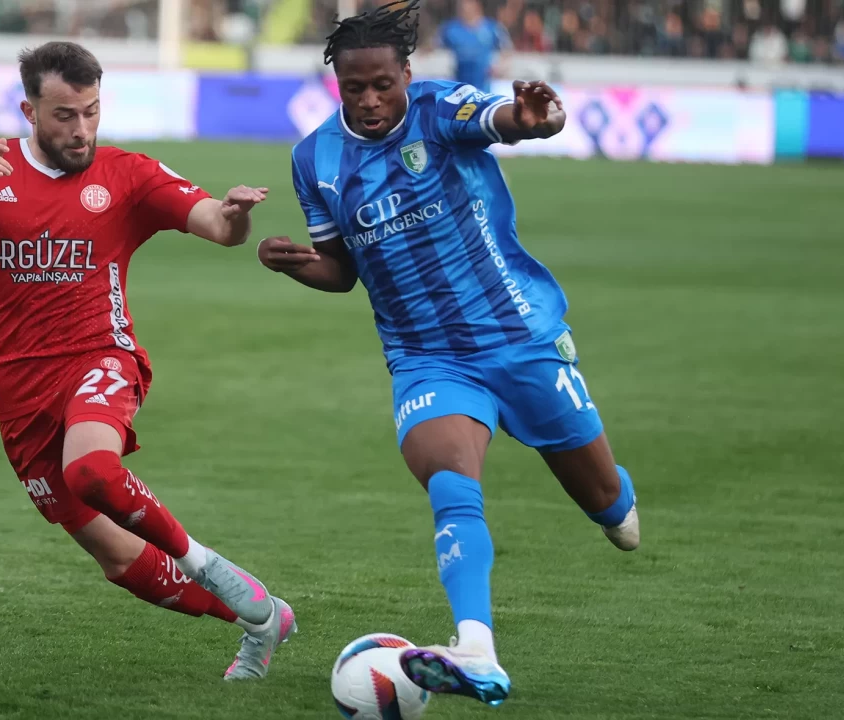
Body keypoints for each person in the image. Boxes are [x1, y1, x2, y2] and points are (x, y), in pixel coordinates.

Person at [257, 0, 638, 706]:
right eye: (353, 89)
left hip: (517, 336)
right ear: (335, 86)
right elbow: (341, 271)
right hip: (426, 357)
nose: (370, 101)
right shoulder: (316, 158)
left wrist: (535, 120)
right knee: (450, 479)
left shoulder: (439, 109)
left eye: (382, 85)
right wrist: (291, 262)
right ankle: (477, 649)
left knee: (615, 515)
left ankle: (614, 498)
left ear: (406, 72)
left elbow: (507, 120)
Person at [0, 41, 295, 680]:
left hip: (100, 358)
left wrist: (234, 214)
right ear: (29, 110)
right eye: (65, 115)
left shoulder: (126, 174)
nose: (81, 129)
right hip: (18, 390)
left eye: (90, 112)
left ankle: (214, 569)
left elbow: (219, 228)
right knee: (119, 559)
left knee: (91, 469)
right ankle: (261, 617)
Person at [437, 0, 510, 93]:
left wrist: (499, 66)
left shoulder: (492, 28)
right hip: (458, 85)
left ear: (477, 5)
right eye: (462, 5)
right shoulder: (450, 29)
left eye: (468, 4)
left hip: (483, 87)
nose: (465, 7)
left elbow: (507, 50)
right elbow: (436, 50)